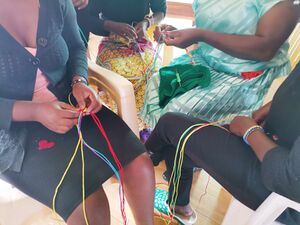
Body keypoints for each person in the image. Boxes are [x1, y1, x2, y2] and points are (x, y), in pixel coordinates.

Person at [0, 1, 155, 225]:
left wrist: (79, 81)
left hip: (71, 105)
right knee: (89, 205)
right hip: (14, 132)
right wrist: (35, 111)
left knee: (139, 165)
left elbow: (76, 46)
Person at [146, 61, 300, 225]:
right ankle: (179, 206)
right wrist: (271, 108)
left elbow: (288, 177)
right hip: (276, 145)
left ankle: (135, 168)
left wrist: (250, 132)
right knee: (179, 144)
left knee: (169, 124)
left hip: (281, 188)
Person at [141, 0, 300, 127]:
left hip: (246, 78)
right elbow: (220, 25)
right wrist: (182, 34)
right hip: (207, 63)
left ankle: (182, 157)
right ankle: (171, 151)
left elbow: (264, 49)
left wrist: (201, 35)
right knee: (156, 86)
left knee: (176, 113)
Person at [76, 0, 166, 111]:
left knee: (154, 73)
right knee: (118, 74)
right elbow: (87, 20)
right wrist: (111, 26)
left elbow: (161, 11)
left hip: (140, 38)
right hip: (112, 38)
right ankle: (120, 120)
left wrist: (147, 22)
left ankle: (145, 122)